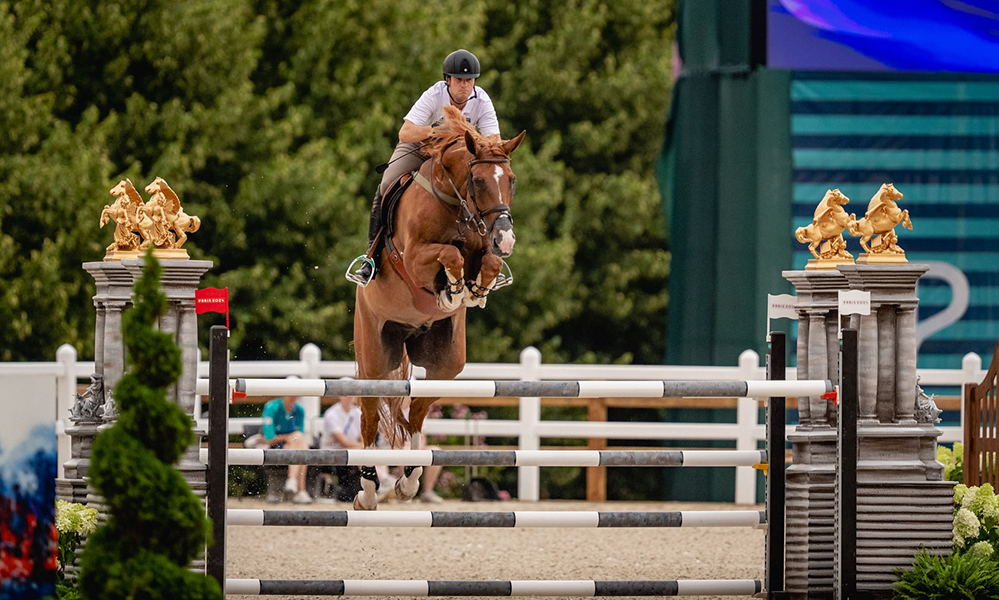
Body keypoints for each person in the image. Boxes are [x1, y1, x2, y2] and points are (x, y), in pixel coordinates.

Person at [346, 48, 502, 286]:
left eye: (469, 80)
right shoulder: (433, 95)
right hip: (421, 148)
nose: (464, 85)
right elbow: (405, 132)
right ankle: (371, 258)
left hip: (460, 154)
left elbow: (494, 142)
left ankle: (490, 254)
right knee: (387, 182)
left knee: (491, 182)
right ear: (447, 79)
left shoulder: (482, 100)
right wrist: (438, 132)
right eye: (459, 79)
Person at [261, 393, 312, 504]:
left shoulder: (299, 410)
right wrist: (289, 437)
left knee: (301, 445)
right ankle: (300, 489)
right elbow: (270, 438)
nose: (293, 396)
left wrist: (291, 438)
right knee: (302, 445)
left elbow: (299, 435)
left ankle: (292, 481)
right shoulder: (272, 407)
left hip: (291, 445)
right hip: (274, 445)